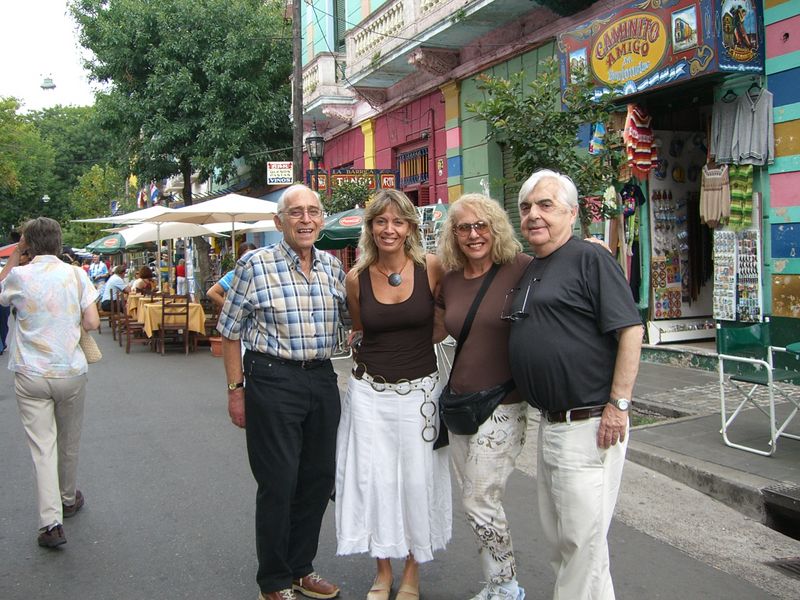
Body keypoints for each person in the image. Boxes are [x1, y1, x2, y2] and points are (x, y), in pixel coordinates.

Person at [507, 170, 643, 600]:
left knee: (579, 542)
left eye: (545, 205)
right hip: (552, 423)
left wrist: (618, 406)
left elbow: (631, 331)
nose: (533, 215)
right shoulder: (534, 266)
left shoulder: (590, 258)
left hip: (588, 423)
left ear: (572, 212)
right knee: (568, 541)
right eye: (527, 207)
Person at [217, 184, 345, 600]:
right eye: (296, 213)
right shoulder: (255, 265)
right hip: (272, 378)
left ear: (322, 220)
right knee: (279, 481)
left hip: (322, 379)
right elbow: (230, 333)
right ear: (279, 221)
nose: (306, 219)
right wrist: (236, 391)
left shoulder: (332, 268)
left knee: (318, 478)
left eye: (313, 211)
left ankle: (301, 568)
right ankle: (273, 580)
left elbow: (354, 321)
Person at [336, 189, 451, 600]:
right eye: (381, 221)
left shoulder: (433, 268)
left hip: (420, 392)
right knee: (376, 480)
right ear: (370, 228)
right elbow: (362, 331)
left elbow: (441, 323)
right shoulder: (355, 278)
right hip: (369, 393)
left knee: (417, 482)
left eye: (397, 221)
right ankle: (382, 571)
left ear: (410, 227)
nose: (389, 229)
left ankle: (412, 573)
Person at [434, 194, 531, 600]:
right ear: (453, 235)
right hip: (461, 404)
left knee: (479, 497)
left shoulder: (522, 268)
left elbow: (566, 267)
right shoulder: (450, 279)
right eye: (463, 228)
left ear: (496, 228)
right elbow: (434, 332)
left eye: (481, 226)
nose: (474, 235)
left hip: (505, 403)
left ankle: (507, 585)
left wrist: (593, 249)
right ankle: (495, 583)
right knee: (475, 498)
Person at [0, 217, 100, 548]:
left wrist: (16, 255)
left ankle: (51, 523)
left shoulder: (19, 276)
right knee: (69, 440)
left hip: (30, 372)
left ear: (27, 242)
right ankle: (68, 498)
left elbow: (1, 295)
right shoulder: (75, 274)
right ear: (58, 241)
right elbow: (92, 321)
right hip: (70, 370)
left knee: (43, 447)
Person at [207, 242, 257, 309]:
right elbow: (211, 292)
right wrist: (229, 308)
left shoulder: (260, 273)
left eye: (251, 256)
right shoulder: (233, 275)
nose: (248, 260)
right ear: (239, 258)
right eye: (245, 257)